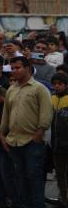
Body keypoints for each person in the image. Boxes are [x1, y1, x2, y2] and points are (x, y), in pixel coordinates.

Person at [0, 56, 53, 208]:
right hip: (14, 141)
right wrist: (2, 134)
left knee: (34, 178)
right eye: (12, 68)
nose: (14, 71)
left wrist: (38, 135)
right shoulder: (11, 89)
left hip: (32, 142)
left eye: (17, 68)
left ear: (28, 68)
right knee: (20, 178)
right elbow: (6, 114)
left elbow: (46, 115)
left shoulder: (39, 88)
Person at [51, 72, 68, 207]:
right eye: (54, 84)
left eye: (60, 84)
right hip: (56, 145)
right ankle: (63, 199)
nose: (57, 86)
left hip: (66, 144)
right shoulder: (52, 98)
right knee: (60, 174)